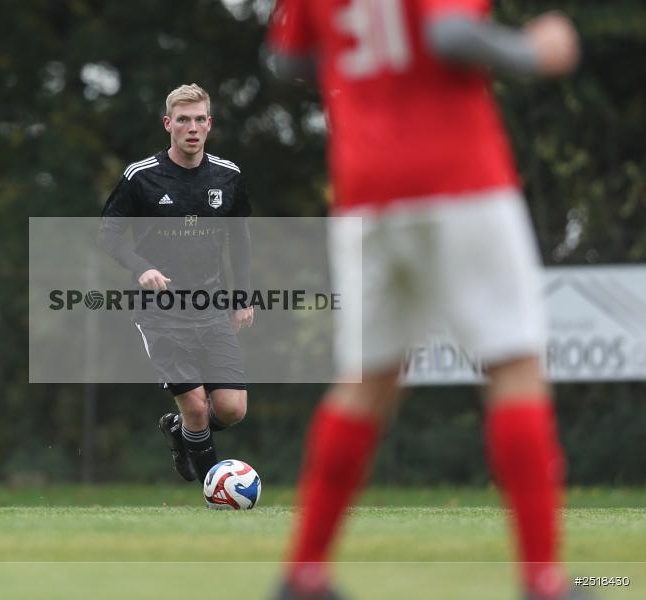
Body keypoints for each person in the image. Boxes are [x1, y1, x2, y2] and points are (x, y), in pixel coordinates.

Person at [265, 1, 583, 599]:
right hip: (459, 177)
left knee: (367, 380)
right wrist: (534, 52)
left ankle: (303, 575)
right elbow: (452, 33)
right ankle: (545, 582)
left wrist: (364, 84)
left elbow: (284, 58)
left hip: (365, 186)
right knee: (514, 365)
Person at [98, 84, 254, 485]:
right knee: (198, 409)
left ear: (210, 124)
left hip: (212, 307)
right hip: (160, 312)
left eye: (200, 119)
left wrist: (243, 296)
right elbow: (108, 235)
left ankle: (179, 431)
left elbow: (241, 240)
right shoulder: (141, 177)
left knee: (232, 408)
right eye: (183, 119)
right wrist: (140, 268)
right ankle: (214, 493)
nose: (192, 127)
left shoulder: (228, 176)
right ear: (168, 124)